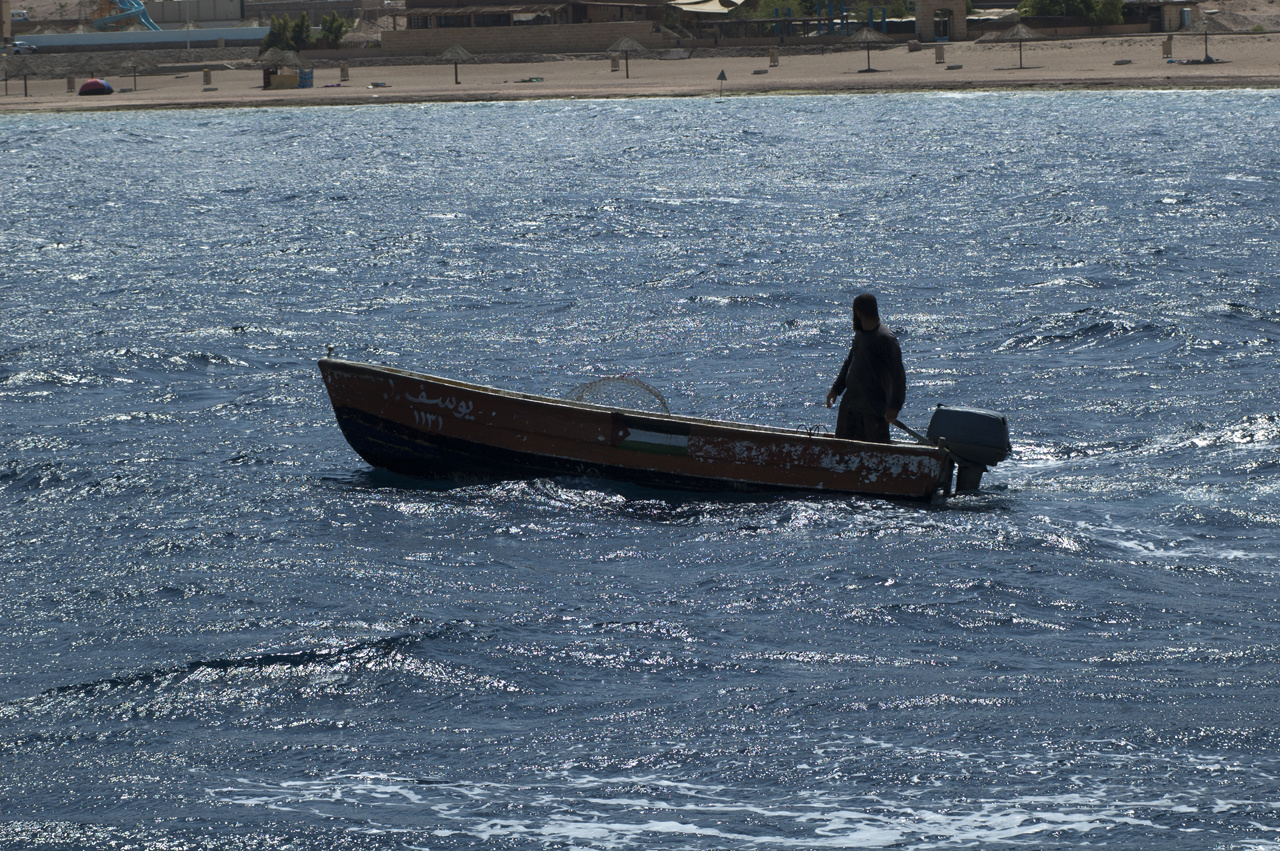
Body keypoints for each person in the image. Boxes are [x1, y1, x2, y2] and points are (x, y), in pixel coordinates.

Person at [825, 293, 906, 444]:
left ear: (858, 313)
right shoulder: (860, 334)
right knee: (843, 452)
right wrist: (836, 389)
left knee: (876, 457)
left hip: (874, 410)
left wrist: (894, 407)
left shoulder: (886, 339)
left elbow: (898, 376)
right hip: (850, 406)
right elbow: (850, 362)